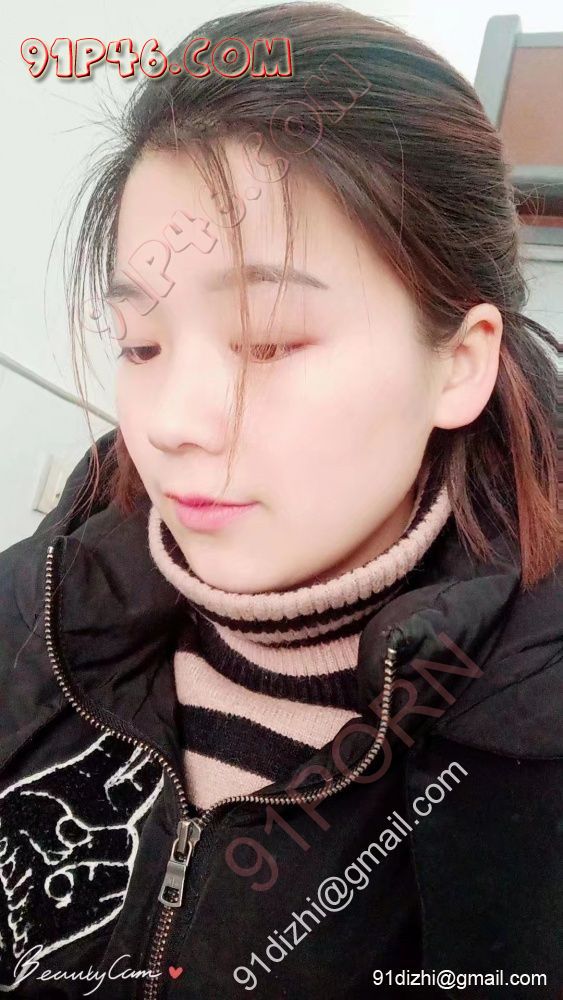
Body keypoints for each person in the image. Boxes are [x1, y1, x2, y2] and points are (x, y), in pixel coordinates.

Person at [1, 3, 561, 997]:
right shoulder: (37, 605)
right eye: (141, 345)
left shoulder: (527, 761)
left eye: (267, 340)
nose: (172, 422)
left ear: (457, 363)